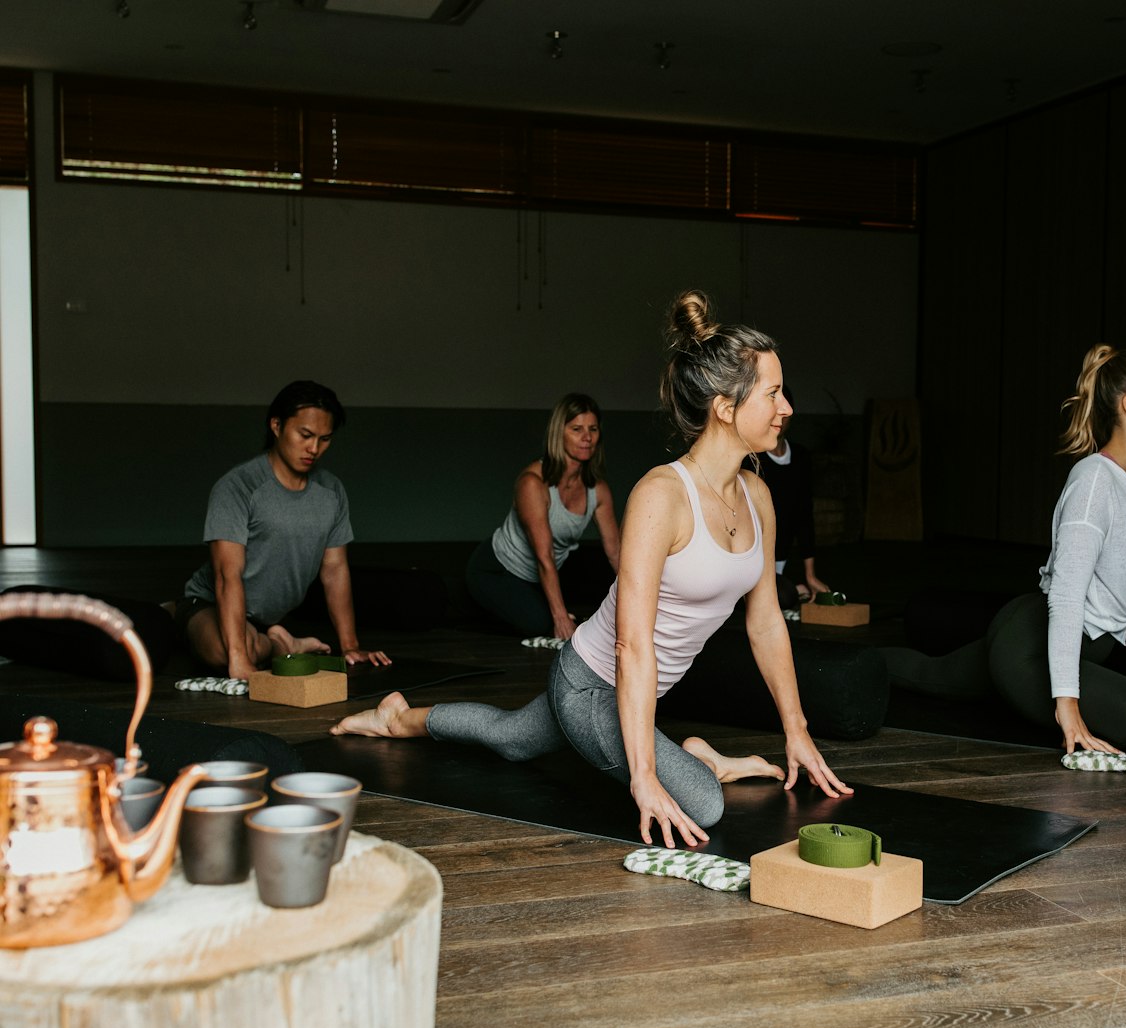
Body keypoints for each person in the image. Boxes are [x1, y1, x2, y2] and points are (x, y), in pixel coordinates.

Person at [333, 290, 850, 847]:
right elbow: (632, 644)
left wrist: (796, 730)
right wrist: (645, 775)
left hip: (632, 692)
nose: (787, 407)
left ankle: (397, 717)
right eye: (773, 394)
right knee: (703, 803)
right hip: (590, 682)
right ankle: (699, 765)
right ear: (726, 407)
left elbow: (766, 621)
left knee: (512, 737)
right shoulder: (661, 495)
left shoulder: (756, 495)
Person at [883, 345, 1126, 755]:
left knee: (941, 674)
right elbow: (1068, 596)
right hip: (1027, 642)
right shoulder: (1094, 481)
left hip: (1074, 649)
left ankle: (1012, 692)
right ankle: (851, 665)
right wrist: (1067, 707)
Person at [177, 381, 390, 679]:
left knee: (248, 645)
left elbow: (334, 569)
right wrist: (239, 660)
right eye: (305, 435)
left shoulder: (331, 490)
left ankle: (274, 639)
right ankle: (280, 643)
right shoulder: (238, 486)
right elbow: (227, 575)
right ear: (276, 426)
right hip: (209, 603)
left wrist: (350, 646)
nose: (314, 448)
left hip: (267, 617)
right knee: (223, 653)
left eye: (324, 439)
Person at [465, 393, 621, 640]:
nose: (587, 438)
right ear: (559, 433)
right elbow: (544, 555)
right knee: (539, 624)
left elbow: (615, 552)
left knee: (578, 613)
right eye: (576, 429)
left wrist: (646, 602)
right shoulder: (533, 483)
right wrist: (559, 619)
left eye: (593, 429)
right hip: (495, 570)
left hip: (537, 579)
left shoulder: (598, 490)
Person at [741, 386, 829, 610]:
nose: (781, 414)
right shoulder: (750, 459)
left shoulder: (800, 456)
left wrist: (810, 575)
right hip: (755, 564)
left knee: (800, 595)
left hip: (785, 559)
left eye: (785, 409)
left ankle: (794, 586)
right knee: (784, 599)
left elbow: (804, 515)